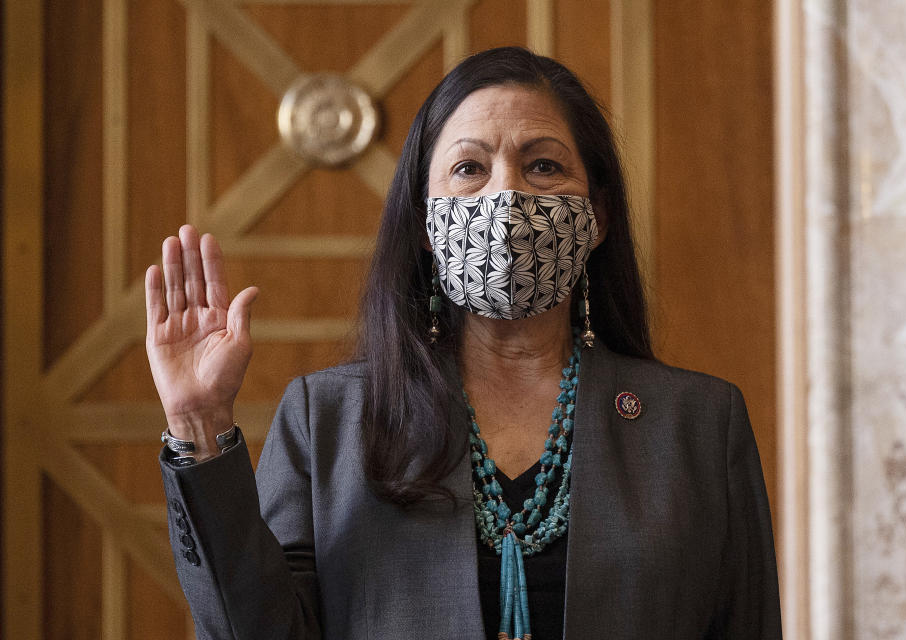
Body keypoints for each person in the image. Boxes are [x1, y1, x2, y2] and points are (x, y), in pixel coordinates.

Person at [146, 47, 781, 639]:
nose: (507, 195)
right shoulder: (330, 421)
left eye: (543, 165)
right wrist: (198, 422)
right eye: (469, 168)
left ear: (598, 218)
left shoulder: (697, 424)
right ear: (425, 223)